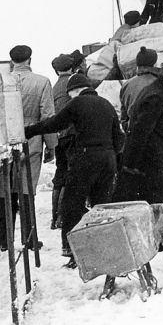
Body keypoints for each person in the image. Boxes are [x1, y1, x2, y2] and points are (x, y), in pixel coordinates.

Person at [24, 74, 124, 268]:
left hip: (86, 158)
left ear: (74, 90)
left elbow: (54, 124)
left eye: (70, 93)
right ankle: (101, 250)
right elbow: (119, 137)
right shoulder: (106, 104)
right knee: (100, 206)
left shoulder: (77, 103)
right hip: (108, 159)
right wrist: (110, 155)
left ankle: (74, 253)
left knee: (71, 205)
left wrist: (29, 131)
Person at [0, 45, 56, 251]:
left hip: (4, 140)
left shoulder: (0, 81)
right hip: (31, 140)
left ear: (11, 60)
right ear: (30, 60)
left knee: (6, 189)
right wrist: (51, 145)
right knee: (26, 190)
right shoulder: (42, 82)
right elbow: (48, 117)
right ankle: (29, 238)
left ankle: (4, 239)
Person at [115, 48, 163, 204]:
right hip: (156, 147)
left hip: (134, 144)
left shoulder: (126, 86)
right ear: (155, 63)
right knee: (159, 194)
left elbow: (124, 118)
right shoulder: (159, 85)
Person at [49, 53, 75, 229]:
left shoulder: (54, 87)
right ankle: (62, 217)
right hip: (74, 134)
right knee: (71, 176)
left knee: (60, 176)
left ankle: (54, 218)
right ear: (72, 68)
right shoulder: (74, 84)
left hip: (59, 135)